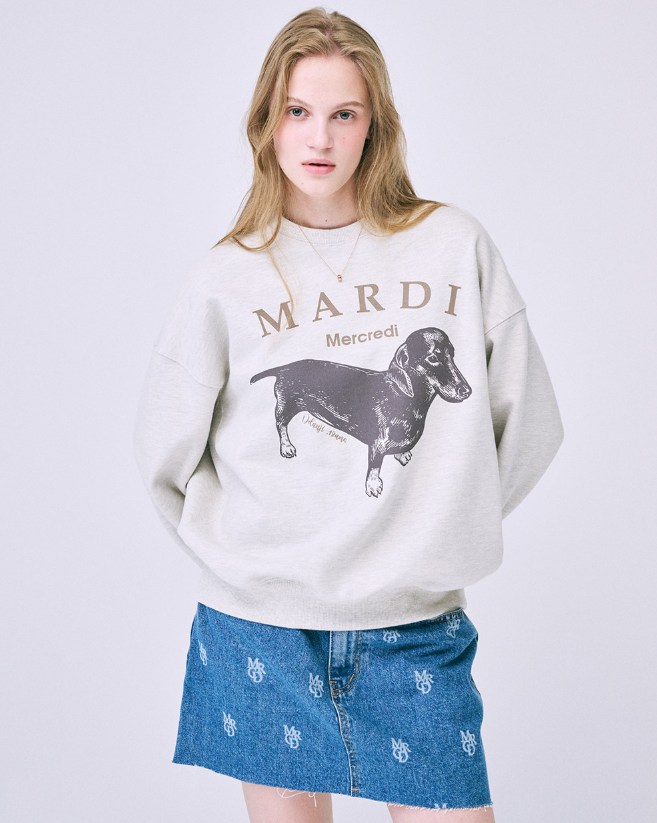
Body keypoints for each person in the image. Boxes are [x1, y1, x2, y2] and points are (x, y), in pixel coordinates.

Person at [133, 7, 563, 822]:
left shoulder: (452, 245)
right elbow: (165, 455)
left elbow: (528, 421)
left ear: (375, 126)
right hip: (260, 630)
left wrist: (435, 527)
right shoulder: (224, 277)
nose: (319, 137)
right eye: (297, 110)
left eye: (344, 113)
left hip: (414, 627)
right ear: (266, 121)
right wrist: (250, 556)